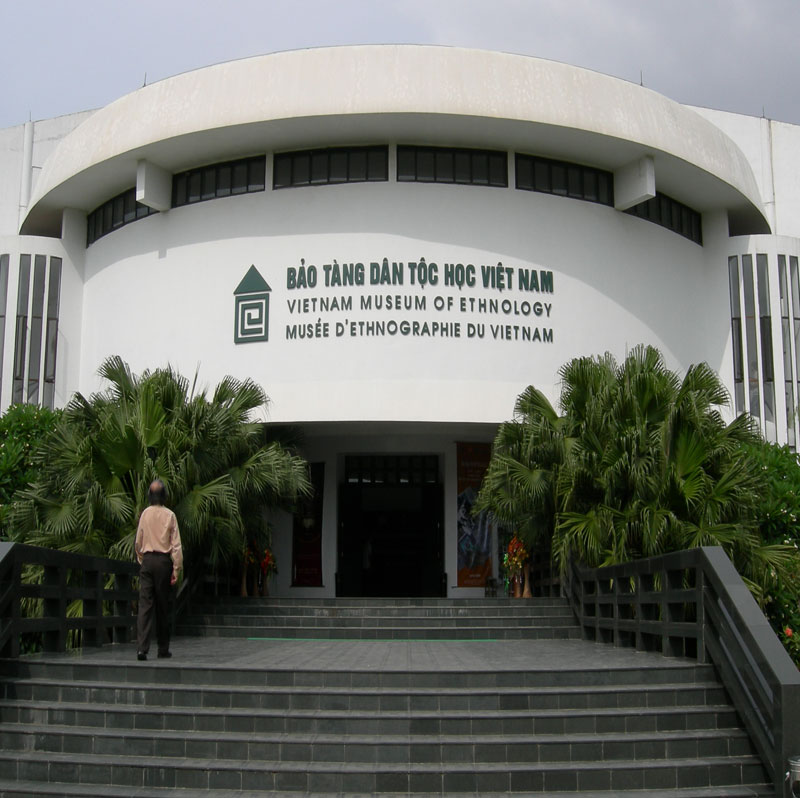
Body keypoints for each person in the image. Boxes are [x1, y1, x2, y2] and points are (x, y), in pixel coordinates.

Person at [134, 479, 182, 661]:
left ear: (149, 495)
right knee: (163, 606)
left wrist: (142, 559)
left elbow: (138, 541)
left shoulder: (145, 514)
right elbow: (176, 545)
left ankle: (141, 648)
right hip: (163, 562)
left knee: (145, 605)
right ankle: (163, 648)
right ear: (164, 495)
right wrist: (176, 569)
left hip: (147, 560)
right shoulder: (170, 515)